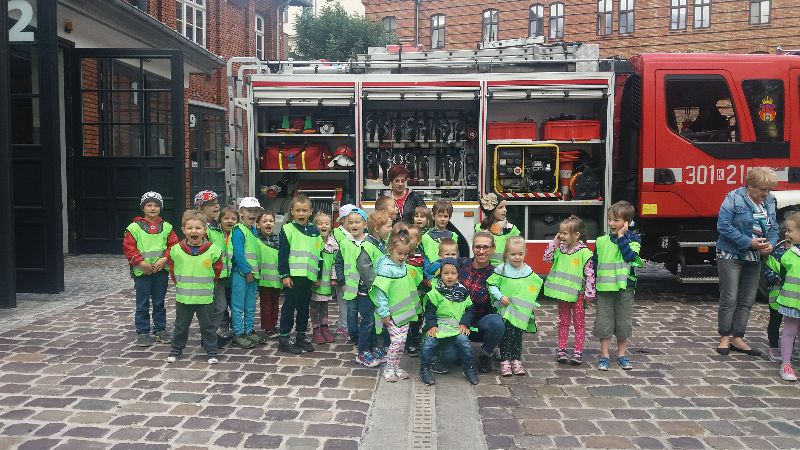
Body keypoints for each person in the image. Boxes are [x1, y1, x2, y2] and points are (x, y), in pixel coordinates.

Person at [716, 167, 778, 356]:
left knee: (747, 298)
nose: (765, 193)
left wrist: (771, 245)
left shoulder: (769, 201)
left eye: (768, 189)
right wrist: (749, 242)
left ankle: (738, 337)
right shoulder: (733, 198)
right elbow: (723, 226)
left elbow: (774, 227)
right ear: (750, 185)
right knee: (729, 297)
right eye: (762, 189)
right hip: (731, 254)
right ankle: (724, 337)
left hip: (755, 257)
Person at [165, 210, 224, 364]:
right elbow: (173, 270)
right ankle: (176, 350)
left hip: (205, 299)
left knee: (208, 327)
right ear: (183, 230)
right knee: (180, 326)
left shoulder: (213, 251)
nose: (194, 231)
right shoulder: (176, 250)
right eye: (190, 228)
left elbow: (216, 271)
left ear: (204, 230)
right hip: (184, 298)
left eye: (198, 228)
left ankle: (212, 352)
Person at [122, 191, 179, 347]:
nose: (153, 208)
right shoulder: (134, 228)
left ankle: (160, 330)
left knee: (159, 302)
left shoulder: (167, 227)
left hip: (161, 271)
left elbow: (173, 246)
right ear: (143, 208)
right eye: (149, 205)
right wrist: (141, 263)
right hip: (142, 272)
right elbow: (129, 248)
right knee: (142, 303)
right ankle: (143, 332)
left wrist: (165, 258)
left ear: (160, 208)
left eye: (156, 205)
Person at [593, 201, 642, 370]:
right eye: (610, 220)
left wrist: (621, 237)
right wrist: (591, 286)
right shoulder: (601, 241)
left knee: (623, 323)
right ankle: (604, 355)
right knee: (604, 322)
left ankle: (621, 355)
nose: (611, 223)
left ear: (627, 222)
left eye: (616, 220)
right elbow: (595, 264)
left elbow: (629, 257)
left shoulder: (634, 240)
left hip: (624, 289)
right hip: (604, 289)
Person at [370, 230, 422, 382]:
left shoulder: (403, 266)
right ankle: (388, 368)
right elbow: (380, 292)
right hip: (391, 313)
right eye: (399, 253)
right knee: (397, 341)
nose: (402, 257)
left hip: (404, 311)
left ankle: (396, 366)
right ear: (390, 250)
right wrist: (384, 312)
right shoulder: (385, 269)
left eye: (405, 254)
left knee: (402, 341)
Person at [543, 215, 596, 365]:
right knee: (563, 322)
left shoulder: (585, 253)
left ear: (577, 235)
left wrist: (589, 294)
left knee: (579, 324)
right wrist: (554, 242)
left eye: (564, 233)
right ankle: (562, 349)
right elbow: (546, 258)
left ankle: (578, 351)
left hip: (578, 295)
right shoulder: (560, 250)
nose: (561, 236)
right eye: (560, 233)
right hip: (563, 295)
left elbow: (590, 274)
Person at [488, 236, 543, 376]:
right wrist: (500, 297)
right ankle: (505, 360)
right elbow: (491, 284)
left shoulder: (527, 270)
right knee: (506, 334)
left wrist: (529, 299)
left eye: (520, 254)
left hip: (521, 311)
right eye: (513, 254)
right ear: (506, 254)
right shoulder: (502, 269)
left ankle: (516, 359)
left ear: (525, 253)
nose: (517, 257)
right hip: (506, 310)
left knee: (518, 336)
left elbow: (535, 283)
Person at [420, 258, 479, 386]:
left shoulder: (463, 292)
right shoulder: (435, 292)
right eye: (446, 273)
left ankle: (469, 369)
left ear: (458, 274)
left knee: (464, 342)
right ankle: (424, 369)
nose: (450, 276)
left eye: (453, 273)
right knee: (428, 343)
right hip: (439, 327)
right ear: (440, 274)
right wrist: (432, 326)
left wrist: (464, 324)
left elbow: (470, 310)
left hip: (457, 327)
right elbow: (429, 312)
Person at [278, 194, 323, 354]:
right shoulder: (287, 229)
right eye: (298, 210)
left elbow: (319, 254)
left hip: (308, 278)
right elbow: (282, 254)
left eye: (304, 210)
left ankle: (301, 337)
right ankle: (284, 339)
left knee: (304, 309)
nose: (301, 213)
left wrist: (318, 276)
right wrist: (284, 275)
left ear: (310, 211)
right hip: (293, 277)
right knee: (289, 308)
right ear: (292, 211)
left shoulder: (315, 231)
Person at [455, 232, 505, 374]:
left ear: (493, 248)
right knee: (450, 357)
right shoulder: (460, 264)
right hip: (456, 321)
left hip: (479, 324)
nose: (481, 251)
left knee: (496, 322)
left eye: (486, 247)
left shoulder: (496, 274)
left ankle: (485, 354)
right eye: (478, 247)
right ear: (472, 248)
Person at [765, 212, 800, 381]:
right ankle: (786, 364)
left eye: (790, 230)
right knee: (789, 331)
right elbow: (783, 278)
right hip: (791, 302)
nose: (786, 234)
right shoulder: (787, 255)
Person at [354, 210, 392, 367]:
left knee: (376, 322)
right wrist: (377, 287)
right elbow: (365, 270)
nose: (391, 229)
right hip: (368, 292)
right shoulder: (367, 246)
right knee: (368, 322)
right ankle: (362, 351)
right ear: (377, 228)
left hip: (378, 291)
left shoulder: (381, 244)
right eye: (388, 226)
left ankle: (373, 347)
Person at [230, 197, 265, 349]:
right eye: (249, 210)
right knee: (238, 306)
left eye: (256, 211)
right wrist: (247, 271)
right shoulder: (239, 230)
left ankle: (249, 330)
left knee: (250, 305)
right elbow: (239, 254)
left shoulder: (253, 230)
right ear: (241, 212)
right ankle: (238, 333)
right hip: (241, 274)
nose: (253, 213)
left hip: (253, 274)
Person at [336, 208, 368, 346]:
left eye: (357, 222)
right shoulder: (344, 243)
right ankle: (353, 334)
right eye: (351, 222)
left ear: (364, 224)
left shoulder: (369, 242)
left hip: (366, 285)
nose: (354, 225)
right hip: (350, 284)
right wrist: (342, 281)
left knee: (366, 311)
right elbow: (339, 263)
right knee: (352, 310)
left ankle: (366, 333)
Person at [208, 206, 237, 342]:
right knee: (221, 305)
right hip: (219, 276)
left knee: (234, 303)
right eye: (226, 218)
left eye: (233, 219)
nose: (230, 221)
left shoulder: (237, 234)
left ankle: (236, 328)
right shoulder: (214, 233)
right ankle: (220, 328)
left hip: (234, 275)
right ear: (220, 221)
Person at [311, 212, 337, 344]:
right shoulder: (314, 242)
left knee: (325, 305)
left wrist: (334, 277)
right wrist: (314, 277)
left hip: (326, 281)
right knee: (314, 306)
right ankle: (316, 329)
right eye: (320, 223)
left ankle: (325, 327)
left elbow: (335, 262)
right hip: (316, 280)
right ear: (315, 226)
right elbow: (313, 260)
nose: (324, 226)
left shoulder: (333, 244)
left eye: (326, 223)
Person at [332, 204, 357, 339]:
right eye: (350, 219)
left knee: (350, 302)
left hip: (352, 275)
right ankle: (344, 326)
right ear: (343, 219)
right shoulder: (337, 233)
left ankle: (347, 324)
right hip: (342, 274)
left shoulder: (353, 233)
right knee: (343, 302)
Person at [476, 193, 521, 266]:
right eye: (500, 207)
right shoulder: (478, 228)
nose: (505, 210)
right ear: (491, 210)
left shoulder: (512, 229)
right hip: (484, 270)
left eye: (505, 207)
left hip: (505, 270)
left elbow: (518, 255)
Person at [256, 210, 281, 339]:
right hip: (264, 279)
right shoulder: (256, 240)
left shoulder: (278, 239)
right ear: (258, 224)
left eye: (271, 221)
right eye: (264, 221)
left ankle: (273, 324)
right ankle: (267, 327)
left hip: (277, 278)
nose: (268, 223)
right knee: (266, 304)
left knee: (275, 304)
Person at [404, 223, 426, 357]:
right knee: (406, 317)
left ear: (418, 241)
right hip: (404, 293)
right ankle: (408, 342)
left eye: (411, 237)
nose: (407, 240)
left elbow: (425, 271)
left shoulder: (421, 255)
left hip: (418, 292)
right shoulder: (402, 254)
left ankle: (414, 339)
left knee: (417, 317)